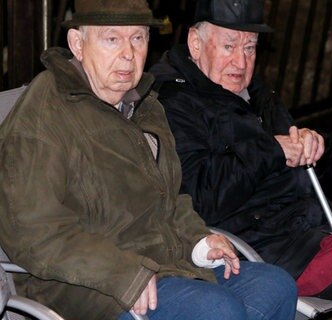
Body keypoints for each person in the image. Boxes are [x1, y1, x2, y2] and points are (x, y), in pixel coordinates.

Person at [0, 1, 297, 319]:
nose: (128, 53)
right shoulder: (46, 114)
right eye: (112, 39)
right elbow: (34, 233)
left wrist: (198, 241)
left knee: (275, 287)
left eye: (138, 39)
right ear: (78, 44)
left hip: (164, 264)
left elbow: (168, 196)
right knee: (215, 310)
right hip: (86, 289)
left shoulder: (145, 106)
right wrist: (122, 275)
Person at [150, 0, 332, 319]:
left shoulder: (258, 97)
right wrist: (270, 151)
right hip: (261, 246)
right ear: (196, 43)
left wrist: (316, 149)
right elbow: (202, 199)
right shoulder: (176, 104)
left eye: (250, 47)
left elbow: (326, 184)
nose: (241, 60)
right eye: (229, 45)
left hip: (306, 227)